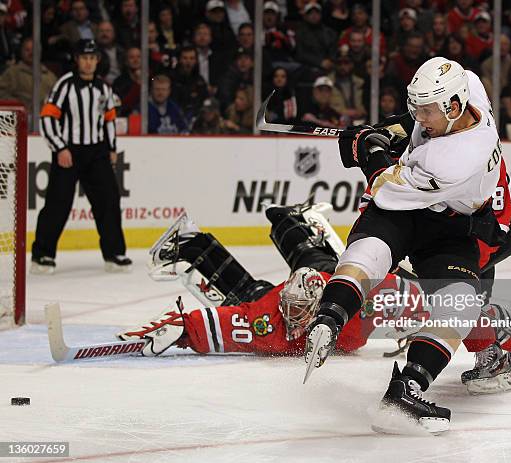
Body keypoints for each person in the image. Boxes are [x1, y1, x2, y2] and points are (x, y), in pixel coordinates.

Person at [304, 57, 505, 434]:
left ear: (453, 107)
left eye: (426, 111)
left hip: (443, 223)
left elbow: (387, 186)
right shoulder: (469, 86)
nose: (420, 118)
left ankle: (406, 388)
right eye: (417, 107)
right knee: (369, 253)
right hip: (418, 209)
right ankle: (330, 316)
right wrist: (389, 127)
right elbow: (410, 126)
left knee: (461, 306)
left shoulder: (458, 158)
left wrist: (371, 151)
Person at [117, 205, 422, 357]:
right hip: (301, 284)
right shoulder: (273, 316)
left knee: (316, 258)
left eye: (300, 312)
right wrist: (184, 327)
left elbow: (407, 291)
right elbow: (231, 321)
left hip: (326, 276)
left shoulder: (354, 305)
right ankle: (191, 245)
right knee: (248, 296)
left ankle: (289, 218)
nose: (291, 319)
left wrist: (415, 316)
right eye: (290, 310)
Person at [32, 39, 131, 274]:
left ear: (98, 60)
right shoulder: (65, 85)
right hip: (70, 150)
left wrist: (112, 148)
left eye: (92, 58)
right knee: (58, 203)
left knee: (109, 199)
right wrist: (60, 147)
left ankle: (114, 253)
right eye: (84, 58)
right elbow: (47, 117)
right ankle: (42, 255)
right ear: (77, 60)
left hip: (96, 152)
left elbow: (108, 120)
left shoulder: (103, 88)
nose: (88, 62)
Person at [0, 37, 57, 118]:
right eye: (27, 50)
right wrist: (19, 105)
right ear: (21, 52)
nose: (31, 53)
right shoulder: (12, 73)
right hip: (20, 119)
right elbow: (1, 94)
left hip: (46, 119)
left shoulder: (50, 76)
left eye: (34, 50)